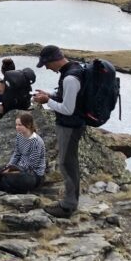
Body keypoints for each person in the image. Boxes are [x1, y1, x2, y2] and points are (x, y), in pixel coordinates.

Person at [33, 45, 84, 218]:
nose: (46, 68)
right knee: (69, 162)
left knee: (66, 163)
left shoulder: (70, 78)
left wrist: (47, 100)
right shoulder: (73, 69)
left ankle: (68, 206)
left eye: (46, 64)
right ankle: (71, 200)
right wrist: (50, 94)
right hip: (72, 124)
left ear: (54, 60)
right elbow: (67, 97)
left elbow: (68, 108)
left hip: (70, 126)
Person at [0, 112, 47, 194]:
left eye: (20, 125)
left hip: (33, 175)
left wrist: (13, 170)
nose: (17, 127)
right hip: (19, 167)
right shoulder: (19, 136)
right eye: (16, 125)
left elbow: (32, 165)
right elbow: (16, 154)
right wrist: (8, 166)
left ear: (28, 125)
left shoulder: (37, 142)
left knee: (9, 177)